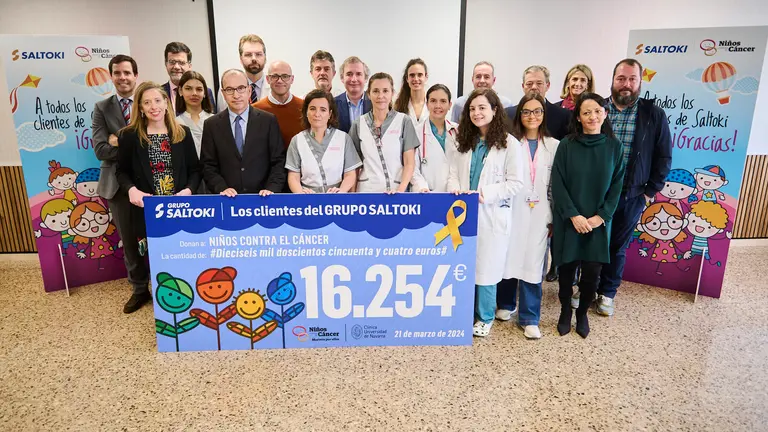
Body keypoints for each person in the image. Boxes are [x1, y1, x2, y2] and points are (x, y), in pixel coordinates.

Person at [575, 59, 671, 317]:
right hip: (595, 193)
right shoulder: (597, 109)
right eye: (621, 78)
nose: (626, 84)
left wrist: (651, 190)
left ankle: (607, 293)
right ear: (613, 79)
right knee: (590, 241)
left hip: (632, 194)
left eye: (632, 79)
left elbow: (664, 156)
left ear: (640, 82)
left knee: (617, 246)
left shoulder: (653, 114)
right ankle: (586, 288)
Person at [115, 81, 201, 311]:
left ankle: (182, 292)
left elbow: (195, 170)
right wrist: (131, 190)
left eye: (157, 100)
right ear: (140, 108)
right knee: (148, 253)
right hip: (147, 207)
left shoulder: (181, 133)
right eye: (146, 102)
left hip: (178, 205)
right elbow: (121, 172)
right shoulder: (129, 136)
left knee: (178, 251)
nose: (153, 106)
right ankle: (143, 291)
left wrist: (189, 191)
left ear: (166, 103)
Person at [447, 88, 523, 337]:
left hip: (490, 213)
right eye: (472, 109)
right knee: (464, 265)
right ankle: (464, 313)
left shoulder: (510, 144)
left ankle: (485, 316)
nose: (477, 113)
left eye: (482, 107)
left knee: (487, 268)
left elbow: (516, 183)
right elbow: (453, 173)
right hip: (462, 213)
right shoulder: (464, 140)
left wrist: (485, 194)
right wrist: (456, 189)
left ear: (494, 110)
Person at [551, 92, 625, 338]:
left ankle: (582, 313)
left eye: (597, 111)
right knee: (566, 271)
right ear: (579, 118)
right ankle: (564, 311)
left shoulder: (615, 147)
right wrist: (574, 216)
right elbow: (558, 184)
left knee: (592, 275)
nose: (592, 116)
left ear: (605, 114)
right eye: (586, 112)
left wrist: (600, 217)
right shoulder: (567, 145)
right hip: (569, 220)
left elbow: (617, 186)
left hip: (598, 223)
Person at [498, 94, 559, 340]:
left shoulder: (554, 145)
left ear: (543, 115)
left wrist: (555, 215)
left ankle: (530, 316)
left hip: (541, 211)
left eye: (537, 111)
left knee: (535, 262)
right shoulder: (509, 143)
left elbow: (557, 185)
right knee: (508, 254)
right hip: (513, 208)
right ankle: (506, 303)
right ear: (519, 115)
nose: (532, 116)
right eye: (526, 112)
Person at [92, 54, 149, 314]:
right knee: (129, 241)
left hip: (150, 184)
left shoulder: (149, 102)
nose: (123, 77)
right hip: (117, 185)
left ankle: (162, 285)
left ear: (136, 75)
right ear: (111, 76)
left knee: (155, 237)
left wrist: (120, 141)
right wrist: (131, 147)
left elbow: (157, 143)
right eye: (117, 73)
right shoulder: (102, 108)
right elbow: (101, 149)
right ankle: (139, 290)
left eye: (127, 72)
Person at [202, 69, 286, 197]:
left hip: (263, 199)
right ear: (223, 94)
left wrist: (272, 189)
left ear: (249, 91)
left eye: (241, 88)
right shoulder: (211, 125)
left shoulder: (268, 121)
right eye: (230, 90)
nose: (236, 95)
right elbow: (208, 165)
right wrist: (221, 188)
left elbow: (278, 161)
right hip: (227, 200)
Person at [348, 72, 419, 193]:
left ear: (392, 93)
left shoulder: (404, 121)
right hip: (367, 192)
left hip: (396, 191)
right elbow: (353, 166)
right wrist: (352, 196)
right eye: (375, 91)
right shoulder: (358, 124)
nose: (380, 96)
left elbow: (409, 163)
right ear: (368, 94)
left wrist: (400, 191)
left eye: (385, 91)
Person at [285, 90, 361, 193]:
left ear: (330, 114)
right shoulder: (297, 141)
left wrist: (341, 191)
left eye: (323, 110)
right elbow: (293, 176)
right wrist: (300, 193)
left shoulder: (343, 138)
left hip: (336, 199)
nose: (317, 114)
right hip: (308, 199)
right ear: (306, 112)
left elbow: (350, 174)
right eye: (312, 109)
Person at [410, 84, 459, 192]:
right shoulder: (416, 132)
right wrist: (421, 186)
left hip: (455, 194)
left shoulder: (458, 131)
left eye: (443, 101)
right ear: (427, 104)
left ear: (450, 105)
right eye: (433, 101)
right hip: (427, 194)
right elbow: (412, 168)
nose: (438, 106)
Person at [505, 65, 571, 140]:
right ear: (523, 86)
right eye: (529, 84)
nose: (534, 87)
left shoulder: (563, 116)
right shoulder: (508, 115)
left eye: (539, 83)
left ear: (547, 85)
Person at [175, 70, 214, 194]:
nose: (194, 93)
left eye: (199, 89)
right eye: (188, 88)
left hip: (213, 181)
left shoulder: (215, 120)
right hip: (186, 183)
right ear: (180, 91)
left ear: (205, 93)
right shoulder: (175, 123)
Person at [253, 61, 304, 151]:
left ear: (292, 79)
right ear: (268, 79)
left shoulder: (305, 107)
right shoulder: (255, 110)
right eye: (275, 76)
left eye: (285, 76)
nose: (280, 80)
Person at [217, 35, 269, 111]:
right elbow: (222, 118)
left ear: (265, 58)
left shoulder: (276, 87)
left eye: (258, 54)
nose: (254, 58)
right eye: (248, 55)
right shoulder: (227, 87)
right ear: (241, 59)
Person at [161, 42, 215, 114]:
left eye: (181, 63)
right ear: (166, 64)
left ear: (189, 66)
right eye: (172, 62)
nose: (176, 67)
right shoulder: (159, 93)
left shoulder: (204, 93)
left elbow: (213, 122)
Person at [335, 56, 372, 133]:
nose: (354, 79)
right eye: (349, 74)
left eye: (358, 74)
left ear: (365, 78)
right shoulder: (332, 104)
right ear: (342, 78)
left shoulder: (375, 103)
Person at [394, 58, 429, 128]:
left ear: (426, 77)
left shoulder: (433, 104)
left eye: (420, 75)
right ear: (407, 78)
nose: (416, 79)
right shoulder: (398, 105)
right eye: (412, 75)